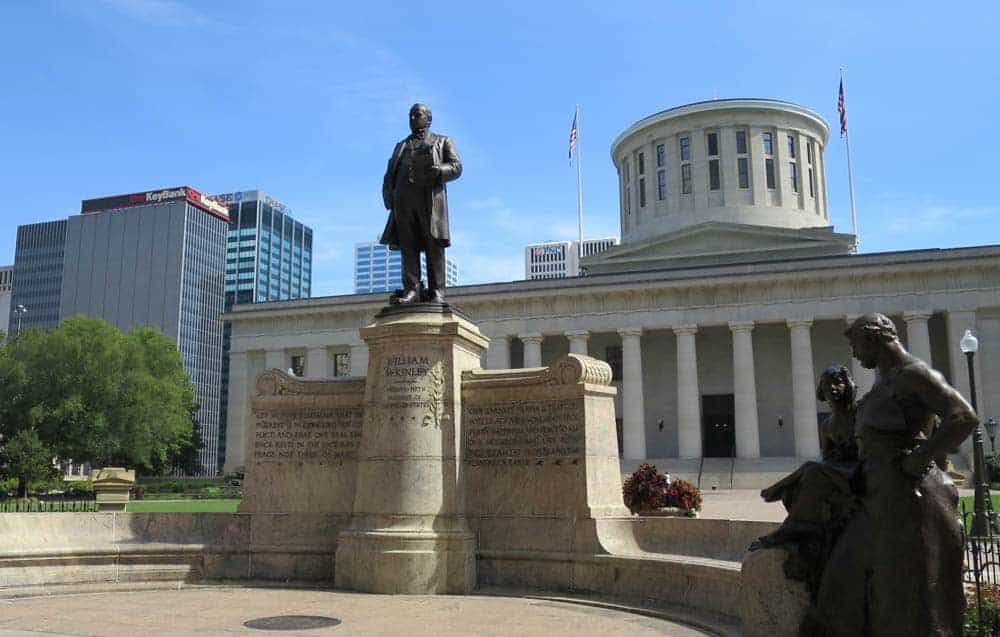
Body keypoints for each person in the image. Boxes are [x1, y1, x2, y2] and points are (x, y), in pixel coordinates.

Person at [803, 313, 978, 636]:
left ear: (873, 338)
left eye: (856, 345)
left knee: (909, 594)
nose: (854, 355)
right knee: (852, 585)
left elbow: (963, 416)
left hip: (912, 500)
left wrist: (921, 456)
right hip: (878, 496)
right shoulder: (884, 381)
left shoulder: (913, 374)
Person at [380, 103, 462, 304]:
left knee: (433, 244)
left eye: (418, 115)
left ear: (429, 118)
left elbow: (457, 166)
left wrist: (439, 171)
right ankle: (412, 289)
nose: (413, 119)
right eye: (411, 115)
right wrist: (389, 195)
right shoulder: (401, 145)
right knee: (409, 246)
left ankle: (437, 291)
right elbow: (389, 173)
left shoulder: (441, 141)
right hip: (403, 201)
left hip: (429, 200)